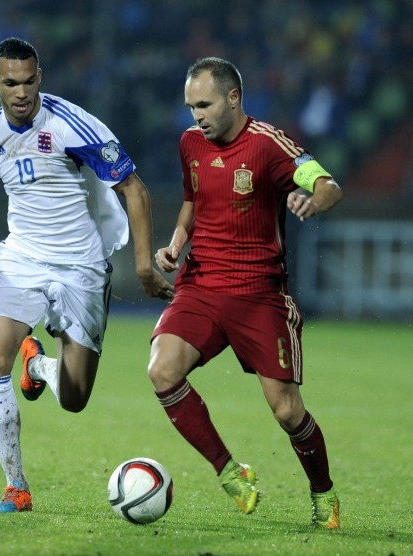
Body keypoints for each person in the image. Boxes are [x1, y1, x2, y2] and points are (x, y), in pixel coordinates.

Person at [0, 37, 174, 513]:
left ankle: (37, 365)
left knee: (74, 398)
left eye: (30, 81)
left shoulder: (73, 124)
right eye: (11, 82)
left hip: (81, 267)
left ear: (40, 78)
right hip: (22, 261)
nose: (21, 92)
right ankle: (16, 487)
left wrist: (141, 266)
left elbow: (134, 189)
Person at [149, 57, 343, 529]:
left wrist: (312, 200)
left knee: (286, 410)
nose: (196, 115)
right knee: (162, 371)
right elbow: (192, 200)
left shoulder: (268, 145)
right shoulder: (190, 143)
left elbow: (327, 185)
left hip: (259, 295)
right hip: (201, 286)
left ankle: (324, 494)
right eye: (191, 106)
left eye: (205, 104)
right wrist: (176, 244)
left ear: (233, 98)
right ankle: (230, 471)